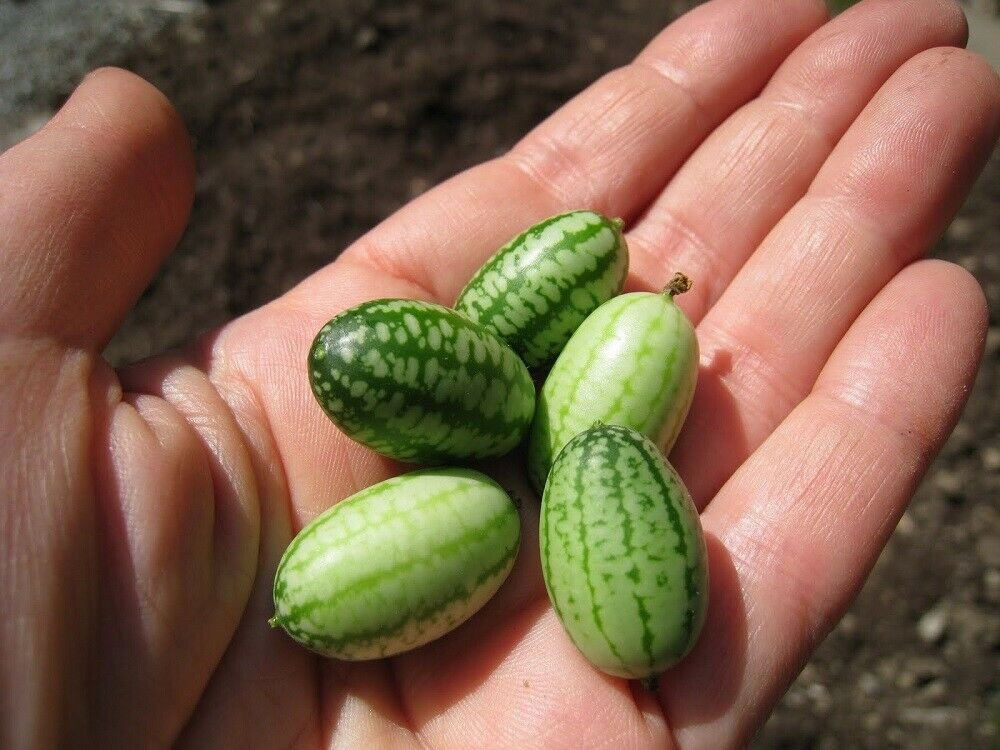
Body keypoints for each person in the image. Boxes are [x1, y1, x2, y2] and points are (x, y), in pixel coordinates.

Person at [1, 0, 996, 747]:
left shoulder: (575, 434)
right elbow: (583, 446)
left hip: (509, 474)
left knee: (576, 447)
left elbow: (590, 448)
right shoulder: (552, 439)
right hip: (494, 482)